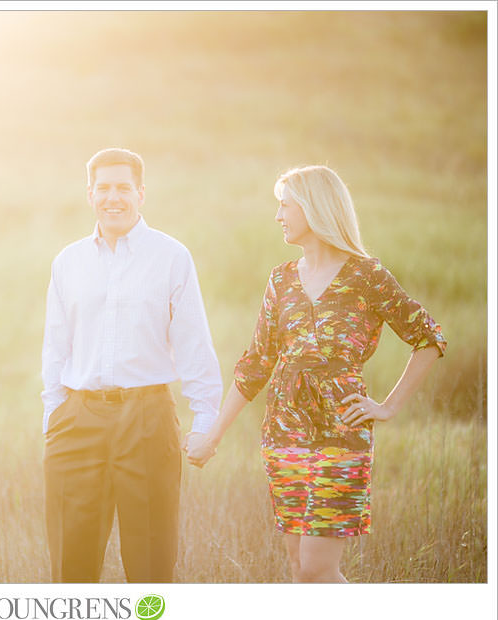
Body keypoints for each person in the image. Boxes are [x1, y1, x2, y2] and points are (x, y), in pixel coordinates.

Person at [184, 165, 446, 583]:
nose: (278, 215)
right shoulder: (281, 280)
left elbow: (428, 338)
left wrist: (388, 406)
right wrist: (213, 435)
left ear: (313, 207)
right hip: (283, 437)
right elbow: (256, 364)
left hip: (341, 437)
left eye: (284, 205)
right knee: (298, 569)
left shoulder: (366, 276)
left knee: (316, 567)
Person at [41, 148, 223, 582]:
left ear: (141, 193)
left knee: (150, 562)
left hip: (146, 418)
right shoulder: (69, 261)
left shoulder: (171, 256)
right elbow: (55, 345)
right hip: (77, 420)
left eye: (123, 187)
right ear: (90, 194)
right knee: (71, 564)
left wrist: (205, 420)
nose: (113, 198)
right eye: (103, 188)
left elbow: (193, 341)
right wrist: (54, 415)